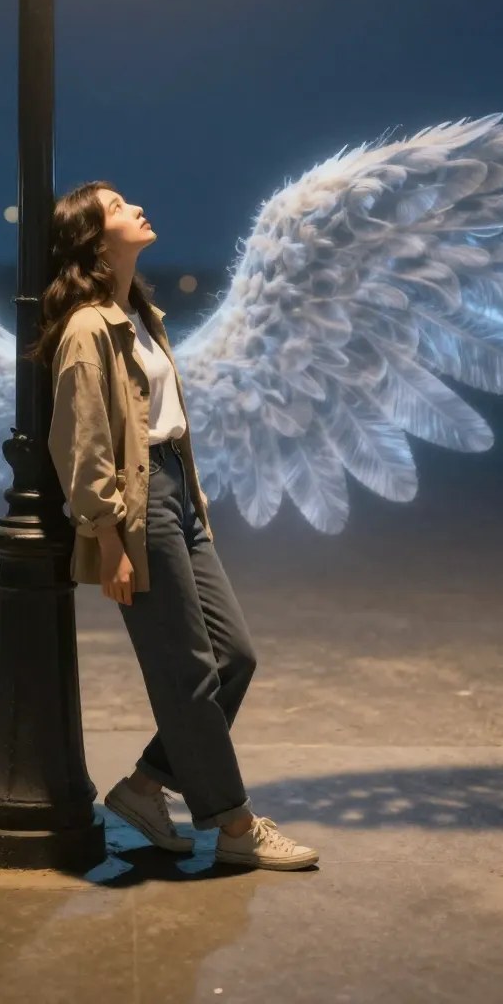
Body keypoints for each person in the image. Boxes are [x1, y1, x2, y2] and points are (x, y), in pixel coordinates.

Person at [26, 180, 320, 872]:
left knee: (234, 656)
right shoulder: (87, 328)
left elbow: (159, 420)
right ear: (95, 240)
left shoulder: (138, 311)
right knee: (185, 671)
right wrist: (107, 539)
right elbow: (81, 442)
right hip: (138, 507)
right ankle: (236, 826)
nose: (136, 208)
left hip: (177, 494)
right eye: (117, 207)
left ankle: (143, 787)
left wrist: (190, 495)